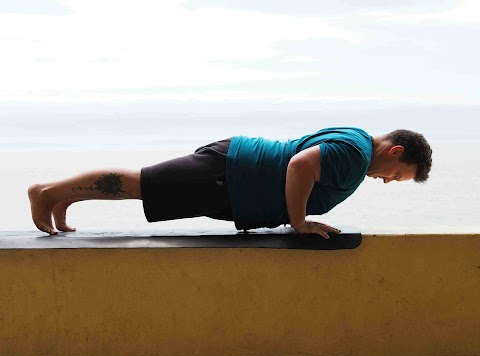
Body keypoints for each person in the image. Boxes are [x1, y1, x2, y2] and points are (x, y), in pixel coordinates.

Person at [28, 127, 432, 239]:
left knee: (144, 188)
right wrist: (299, 222)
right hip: (230, 174)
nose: (387, 181)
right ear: (395, 152)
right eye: (396, 175)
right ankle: (47, 192)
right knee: (142, 184)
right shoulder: (357, 153)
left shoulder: (357, 144)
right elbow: (300, 165)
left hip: (234, 181)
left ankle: (64, 198)